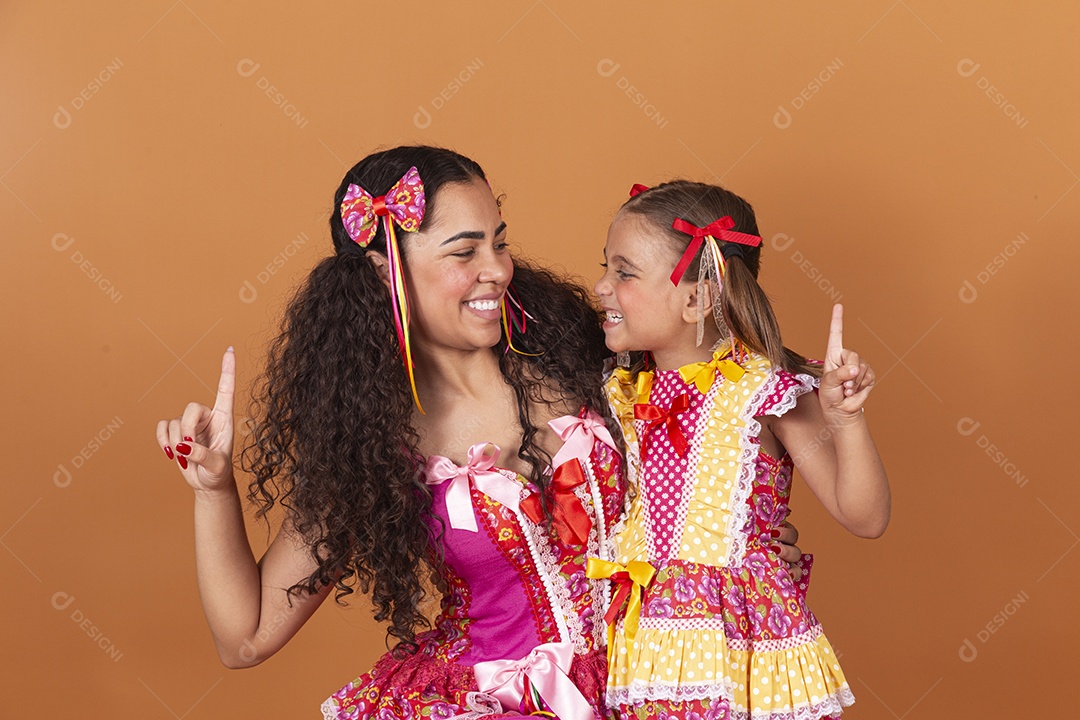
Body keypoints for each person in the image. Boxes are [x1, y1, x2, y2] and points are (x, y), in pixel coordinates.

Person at [155, 147, 805, 719]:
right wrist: (214, 490)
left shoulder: (587, 353)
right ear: (387, 272)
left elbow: (729, 397)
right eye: (464, 251)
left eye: (498, 240)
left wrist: (744, 525)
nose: (497, 268)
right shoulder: (371, 442)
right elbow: (247, 638)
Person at [591, 181, 890, 720]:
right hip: (642, 639)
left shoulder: (763, 392)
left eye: (624, 272)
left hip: (738, 639)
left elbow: (864, 517)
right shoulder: (621, 389)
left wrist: (845, 421)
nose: (601, 286)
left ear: (697, 298)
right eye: (607, 268)